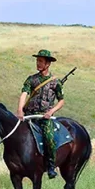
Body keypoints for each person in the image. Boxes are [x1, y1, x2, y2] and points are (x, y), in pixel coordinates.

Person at [17, 50, 65, 179]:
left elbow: (61, 101)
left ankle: (51, 166)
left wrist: (51, 112)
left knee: (49, 137)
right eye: (37, 61)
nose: (38, 64)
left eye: (41, 61)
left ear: (48, 64)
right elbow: (24, 94)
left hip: (44, 117)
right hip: (29, 116)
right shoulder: (31, 79)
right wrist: (20, 110)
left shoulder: (55, 82)